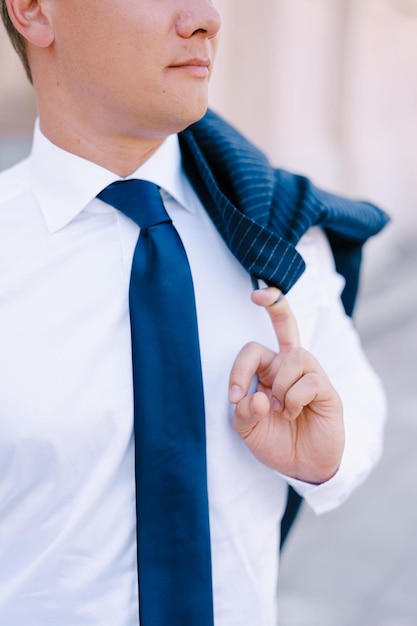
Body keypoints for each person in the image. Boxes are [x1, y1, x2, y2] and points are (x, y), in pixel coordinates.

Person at [0, 1, 388, 625]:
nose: (206, 16)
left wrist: (328, 453)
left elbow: (361, 398)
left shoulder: (271, 226)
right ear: (35, 11)